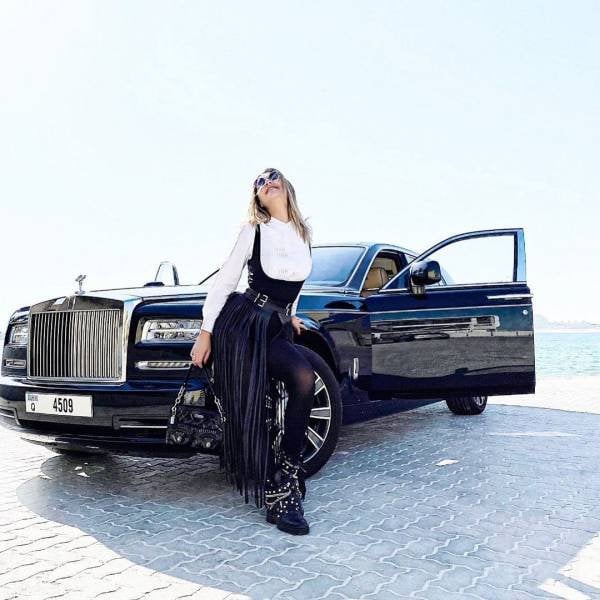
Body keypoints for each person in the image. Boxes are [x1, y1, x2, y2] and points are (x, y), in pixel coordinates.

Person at [190, 167, 315, 535]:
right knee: (253, 406)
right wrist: (206, 332)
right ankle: (279, 492)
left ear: (287, 186)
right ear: (257, 198)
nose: (266, 182)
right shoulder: (253, 231)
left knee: (304, 378)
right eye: (259, 182)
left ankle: (286, 472)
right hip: (244, 325)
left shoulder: (304, 235)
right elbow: (226, 280)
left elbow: (293, 283)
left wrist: (290, 315)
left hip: (275, 327)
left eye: (272, 176)